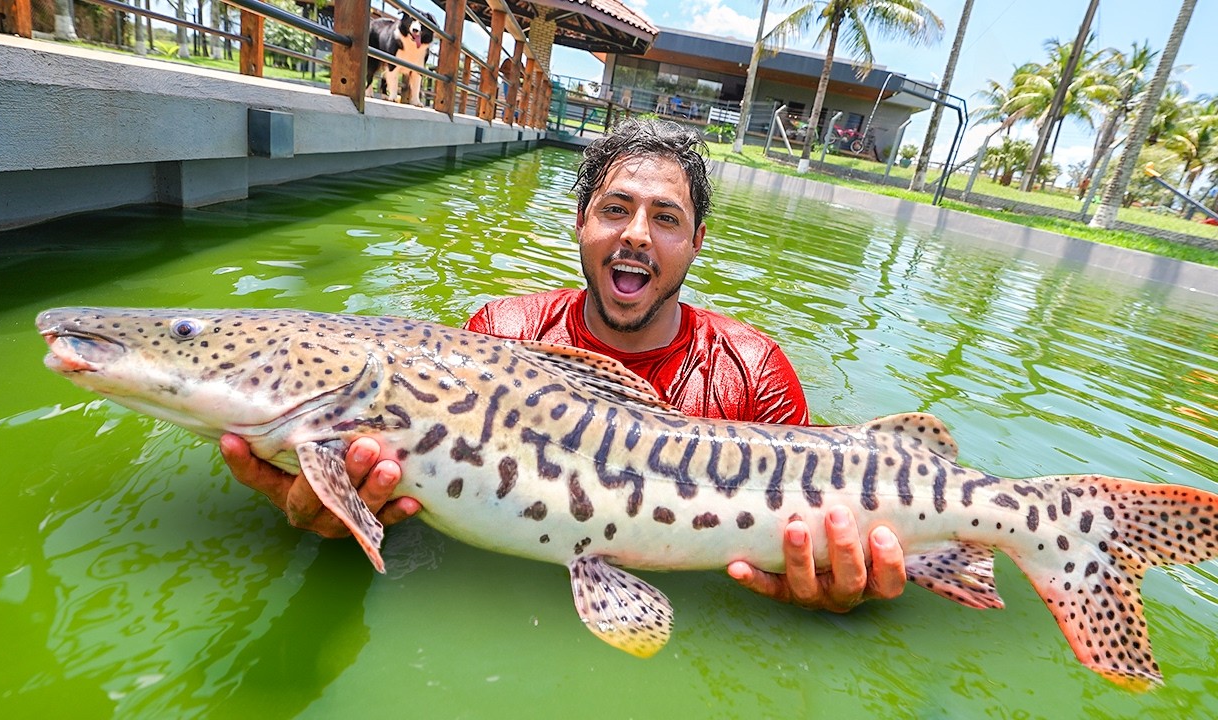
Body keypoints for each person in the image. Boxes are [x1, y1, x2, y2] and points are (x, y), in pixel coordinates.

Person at [222, 118, 907, 613]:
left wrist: (837, 583)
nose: (636, 234)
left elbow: (831, 511)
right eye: (616, 209)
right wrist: (347, 510)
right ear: (581, 223)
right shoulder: (500, 336)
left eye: (665, 219)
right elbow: (422, 498)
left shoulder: (754, 375)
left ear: (696, 242)